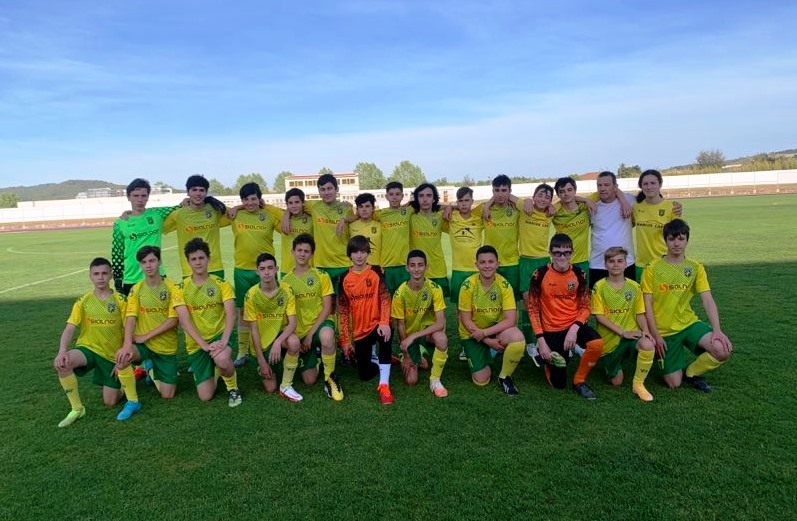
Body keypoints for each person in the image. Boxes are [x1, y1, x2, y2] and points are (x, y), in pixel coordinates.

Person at [642, 219, 732, 392]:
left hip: (688, 323)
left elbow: (707, 299)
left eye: (681, 238)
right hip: (664, 331)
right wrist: (656, 335)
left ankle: (691, 373)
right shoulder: (652, 268)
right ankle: (667, 358)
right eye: (672, 239)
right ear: (665, 240)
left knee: (722, 349)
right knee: (673, 383)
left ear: (687, 240)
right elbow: (647, 304)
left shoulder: (695, 267)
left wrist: (717, 330)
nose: (676, 243)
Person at [53, 257, 140, 427]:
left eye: (104, 273)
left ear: (111, 276)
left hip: (111, 355)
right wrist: (62, 350)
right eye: (96, 274)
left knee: (110, 402)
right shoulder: (83, 301)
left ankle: (123, 383)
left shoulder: (121, 300)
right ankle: (77, 409)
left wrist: (123, 354)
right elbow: (70, 328)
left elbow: (129, 328)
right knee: (64, 363)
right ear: (90, 276)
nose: (100, 277)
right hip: (88, 349)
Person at [528, 234, 604, 400]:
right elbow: (533, 309)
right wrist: (541, 341)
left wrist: (574, 328)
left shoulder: (579, 274)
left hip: (573, 325)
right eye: (557, 253)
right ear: (550, 253)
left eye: (566, 253)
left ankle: (579, 380)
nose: (562, 257)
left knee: (597, 343)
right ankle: (546, 360)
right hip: (551, 330)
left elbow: (585, 306)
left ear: (572, 253)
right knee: (558, 384)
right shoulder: (539, 275)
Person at [171, 238, 242, 407]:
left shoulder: (221, 284)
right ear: (188, 262)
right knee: (205, 396)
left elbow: (231, 314)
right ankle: (216, 367)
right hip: (197, 344)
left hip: (219, 335)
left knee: (223, 359)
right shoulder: (180, 288)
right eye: (193, 259)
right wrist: (203, 345)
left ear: (208, 259)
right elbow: (184, 321)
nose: (198, 262)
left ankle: (233, 389)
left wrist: (224, 341)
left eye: (201, 258)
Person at [281, 233, 344, 401]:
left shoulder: (321, 276)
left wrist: (310, 335)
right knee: (309, 380)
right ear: (292, 252)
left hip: (320, 324)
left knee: (326, 337)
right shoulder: (285, 281)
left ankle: (330, 378)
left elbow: (327, 307)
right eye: (299, 250)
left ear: (312, 254)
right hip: (299, 330)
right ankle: (317, 359)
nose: (302, 254)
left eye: (306, 251)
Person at [458, 245, 526, 395]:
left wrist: (485, 334)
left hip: (493, 330)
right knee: (481, 380)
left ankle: (504, 376)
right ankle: (488, 352)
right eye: (482, 262)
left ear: (497, 264)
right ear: (476, 265)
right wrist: (486, 340)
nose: (487, 266)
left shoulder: (504, 285)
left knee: (517, 338)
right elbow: (465, 320)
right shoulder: (468, 285)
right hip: (471, 334)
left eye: (490, 262)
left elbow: (510, 320)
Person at [591, 246, 656, 401]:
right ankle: (610, 363)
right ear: (605, 265)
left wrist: (646, 330)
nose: (616, 265)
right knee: (616, 382)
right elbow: (599, 317)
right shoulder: (599, 287)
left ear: (626, 264)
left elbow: (640, 313)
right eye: (611, 261)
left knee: (647, 345)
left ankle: (638, 384)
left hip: (631, 334)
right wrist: (622, 332)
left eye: (620, 261)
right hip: (611, 340)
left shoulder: (634, 287)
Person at [228, 182, 282, 367]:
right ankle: (242, 352)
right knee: (243, 312)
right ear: (241, 200)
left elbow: (286, 222)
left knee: (271, 310)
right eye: (245, 200)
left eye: (253, 199)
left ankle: (271, 346)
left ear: (259, 199)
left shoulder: (268, 215)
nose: (250, 203)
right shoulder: (236, 215)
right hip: (243, 271)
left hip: (267, 271)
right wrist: (238, 207)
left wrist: (266, 206)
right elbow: (214, 209)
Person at [114, 246, 179, 399]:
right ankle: (132, 400)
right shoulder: (136, 289)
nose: (148, 265)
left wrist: (146, 336)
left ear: (159, 261)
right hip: (144, 346)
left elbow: (173, 321)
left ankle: (149, 368)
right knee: (123, 358)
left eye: (152, 261)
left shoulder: (173, 287)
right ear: (140, 265)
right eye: (144, 262)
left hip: (166, 348)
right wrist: (127, 345)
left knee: (167, 395)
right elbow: (130, 317)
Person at [338, 235, 394, 405]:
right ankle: (380, 361)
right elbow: (342, 310)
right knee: (364, 375)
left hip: (378, 324)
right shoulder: (344, 278)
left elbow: (385, 298)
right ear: (350, 255)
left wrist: (384, 322)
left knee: (386, 335)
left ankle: (384, 385)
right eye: (355, 252)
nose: (359, 255)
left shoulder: (377, 271)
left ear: (368, 253)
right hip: (360, 330)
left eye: (363, 251)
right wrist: (346, 341)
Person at [244, 253, 304, 401]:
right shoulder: (251, 295)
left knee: (294, 341)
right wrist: (261, 362)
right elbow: (254, 330)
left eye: (270, 268)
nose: (267, 272)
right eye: (262, 268)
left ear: (276, 269)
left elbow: (293, 323)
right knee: (270, 388)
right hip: (262, 343)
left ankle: (286, 385)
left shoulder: (286, 290)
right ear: (257, 271)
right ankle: (271, 364)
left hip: (280, 338)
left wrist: (278, 342)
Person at [391, 250, 449, 397]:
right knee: (411, 381)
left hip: (428, 332)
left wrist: (415, 336)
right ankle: (415, 355)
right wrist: (406, 353)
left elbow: (440, 323)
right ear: (407, 268)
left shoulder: (434, 289)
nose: (417, 269)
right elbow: (401, 325)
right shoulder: (400, 293)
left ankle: (435, 380)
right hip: (409, 335)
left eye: (420, 265)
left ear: (426, 267)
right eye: (413, 265)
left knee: (442, 339)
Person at [111, 178, 178, 296]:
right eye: (136, 195)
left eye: (143, 195)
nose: (140, 199)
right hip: (132, 278)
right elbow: (117, 254)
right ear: (128, 197)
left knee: (160, 312)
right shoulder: (120, 223)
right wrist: (117, 280)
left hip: (158, 275)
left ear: (148, 197)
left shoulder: (157, 214)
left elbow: (182, 206)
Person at [163, 175, 230, 279]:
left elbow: (241, 213)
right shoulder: (178, 214)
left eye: (201, 190)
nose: (198, 193)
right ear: (188, 192)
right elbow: (156, 227)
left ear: (206, 192)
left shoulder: (216, 210)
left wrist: (240, 206)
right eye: (194, 190)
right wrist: (132, 214)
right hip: (189, 270)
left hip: (215, 268)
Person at [295, 173, 353, 293]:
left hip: (342, 263)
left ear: (336, 189)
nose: (326, 192)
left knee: (341, 304)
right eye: (323, 189)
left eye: (329, 188)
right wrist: (285, 215)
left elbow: (357, 218)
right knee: (324, 302)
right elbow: (293, 204)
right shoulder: (314, 207)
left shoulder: (347, 208)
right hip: (321, 264)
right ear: (319, 192)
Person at [517, 183, 554, 346]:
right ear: (533, 197)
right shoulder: (524, 208)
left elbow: (571, 201)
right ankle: (530, 342)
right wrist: (525, 200)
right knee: (528, 303)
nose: (543, 199)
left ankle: (545, 338)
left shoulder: (551, 212)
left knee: (545, 302)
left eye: (548, 197)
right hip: (526, 261)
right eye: (540, 195)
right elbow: (509, 196)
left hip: (544, 261)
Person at [588, 171, 636, 287]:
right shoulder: (591, 206)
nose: (602, 188)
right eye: (599, 185)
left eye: (607, 185)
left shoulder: (629, 200)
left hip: (625, 263)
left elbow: (651, 199)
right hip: (598, 264)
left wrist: (675, 206)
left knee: (627, 301)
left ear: (615, 187)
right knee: (597, 302)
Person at [634, 169, 681, 280]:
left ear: (660, 184)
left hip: (664, 262)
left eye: (653, 183)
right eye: (645, 184)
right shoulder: (636, 207)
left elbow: (677, 238)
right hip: (641, 265)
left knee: (664, 297)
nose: (649, 187)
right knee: (643, 297)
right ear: (641, 186)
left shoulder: (672, 207)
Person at [483, 175, 521, 298]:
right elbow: (464, 208)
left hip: (512, 263)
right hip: (490, 264)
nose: (500, 194)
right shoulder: (483, 209)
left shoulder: (516, 209)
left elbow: (528, 204)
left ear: (510, 191)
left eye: (504, 190)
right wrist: (487, 205)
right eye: (497, 190)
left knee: (512, 302)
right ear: (492, 191)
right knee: (492, 300)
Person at [409, 183, 449, 298]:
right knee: (419, 309)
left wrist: (450, 206)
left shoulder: (440, 217)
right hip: (417, 270)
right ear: (416, 198)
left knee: (439, 309)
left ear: (434, 198)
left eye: (428, 195)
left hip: (438, 270)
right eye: (421, 196)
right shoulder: (410, 217)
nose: (425, 199)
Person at [446, 186, 484, 305]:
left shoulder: (479, 218)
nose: (463, 204)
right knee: (460, 305)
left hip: (476, 269)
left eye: (466, 200)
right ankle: (460, 325)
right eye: (460, 201)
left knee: (476, 306)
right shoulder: (451, 217)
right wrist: (450, 206)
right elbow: (433, 208)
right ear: (457, 202)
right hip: (458, 270)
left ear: (472, 201)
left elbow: (487, 204)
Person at [552, 177, 591, 281]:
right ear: (558, 194)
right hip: (561, 262)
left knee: (583, 296)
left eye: (569, 190)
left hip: (582, 261)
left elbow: (611, 189)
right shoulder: (555, 211)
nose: (566, 194)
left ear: (575, 190)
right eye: (562, 191)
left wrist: (586, 200)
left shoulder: (585, 207)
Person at [276, 188, 314, 276]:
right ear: (286, 205)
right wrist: (237, 208)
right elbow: (262, 205)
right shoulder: (281, 217)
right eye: (290, 203)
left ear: (303, 203)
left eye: (297, 202)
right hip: (287, 270)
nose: (294, 205)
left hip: (308, 269)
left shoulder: (311, 219)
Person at [349, 192, 382, 269]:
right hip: (356, 268)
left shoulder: (380, 225)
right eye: (361, 207)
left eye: (367, 206)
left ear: (373, 208)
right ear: (357, 209)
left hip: (375, 267)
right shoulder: (350, 226)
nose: (364, 209)